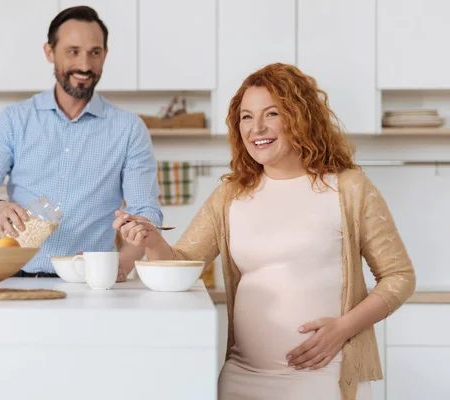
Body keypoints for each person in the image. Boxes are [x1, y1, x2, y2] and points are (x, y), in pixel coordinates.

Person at [113, 63, 416, 399]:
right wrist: (153, 240)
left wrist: (342, 329)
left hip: (325, 376)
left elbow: (399, 276)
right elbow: (183, 263)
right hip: (243, 378)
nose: (256, 127)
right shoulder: (230, 194)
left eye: (272, 114)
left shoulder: (348, 188)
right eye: (246, 116)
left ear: (300, 117)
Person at [0, 6, 162, 280]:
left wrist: (124, 262)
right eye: (73, 51)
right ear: (49, 52)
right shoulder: (15, 120)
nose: (85, 66)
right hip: (18, 279)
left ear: (105, 54)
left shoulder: (128, 129)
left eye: (95, 52)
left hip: (92, 283)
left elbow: (145, 212)